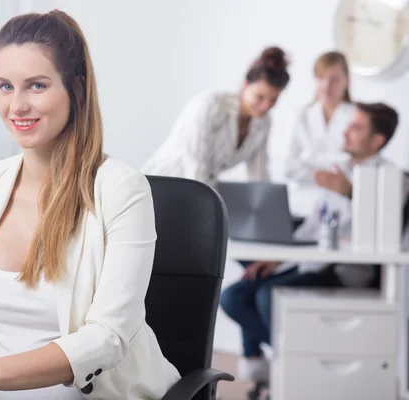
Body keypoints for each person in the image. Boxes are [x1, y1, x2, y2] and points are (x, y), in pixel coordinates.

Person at [0, 10, 180, 400]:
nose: (17, 105)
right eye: (5, 86)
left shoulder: (120, 190)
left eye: (37, 86)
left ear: (75, 90)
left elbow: (107, 336)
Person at [220, 102, 400, 383]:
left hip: (342, 272)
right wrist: (276, 259)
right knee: (233, 297)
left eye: (356, 127)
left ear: (377, 140)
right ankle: (289, 361)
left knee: (267, 297)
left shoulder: (390, 179)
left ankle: (295, 368)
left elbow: (385, 230)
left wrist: (352, 193)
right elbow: (314, 227)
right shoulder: (337, 172)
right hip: (308, 261)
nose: (346, 133)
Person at [141, 47, 291, 188]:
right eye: (260, 97)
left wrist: (267, 205)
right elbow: (195, 165)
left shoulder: (263, 123)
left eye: (273, 100)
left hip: (199, 192)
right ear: (246, 85)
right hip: (162, 184)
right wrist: (207, 208)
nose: (265, 106)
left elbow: (259, 176)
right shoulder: (211, 105)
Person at [284, 51, 356, 217]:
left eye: (334, 79)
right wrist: (319, 174)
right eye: (321, 78)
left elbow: (359, 165)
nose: (326, 85)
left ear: (347, 81)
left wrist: (309, 160)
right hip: (301, 206)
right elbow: (289, 166)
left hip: (344, 207)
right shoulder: (300, 116)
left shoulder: (357, 118)